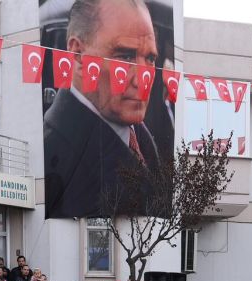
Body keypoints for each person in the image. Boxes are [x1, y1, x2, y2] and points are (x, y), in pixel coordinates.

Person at [42, 0, 164, 218]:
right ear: (78, 54)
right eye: (125, 56)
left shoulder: (142, 137)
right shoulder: (52, 150)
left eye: (150, 58)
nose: (142, 80)